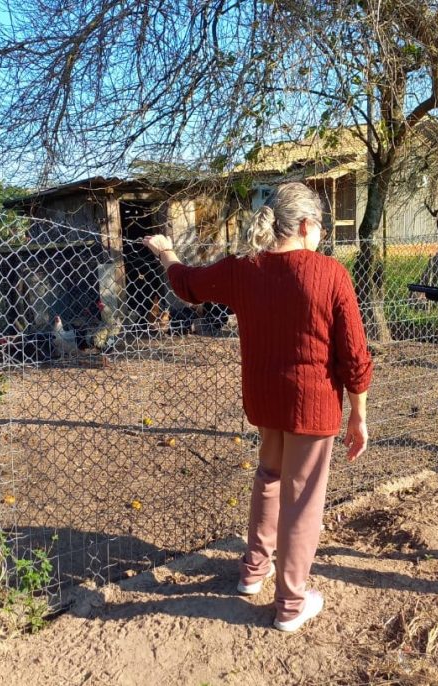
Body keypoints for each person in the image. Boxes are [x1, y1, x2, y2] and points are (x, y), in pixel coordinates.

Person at [142, 182, 372, 632]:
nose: (321, 234)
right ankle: (291, 603)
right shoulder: (330, 274)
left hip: (265, 399)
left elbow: (187, 285)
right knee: (302, 500)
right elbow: (355, 356)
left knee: (270, 476)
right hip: (312, 405)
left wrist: (166, 252)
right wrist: (359, 413)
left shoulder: (243, 268)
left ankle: (253, 571)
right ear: (304, 225)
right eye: (320, 226)